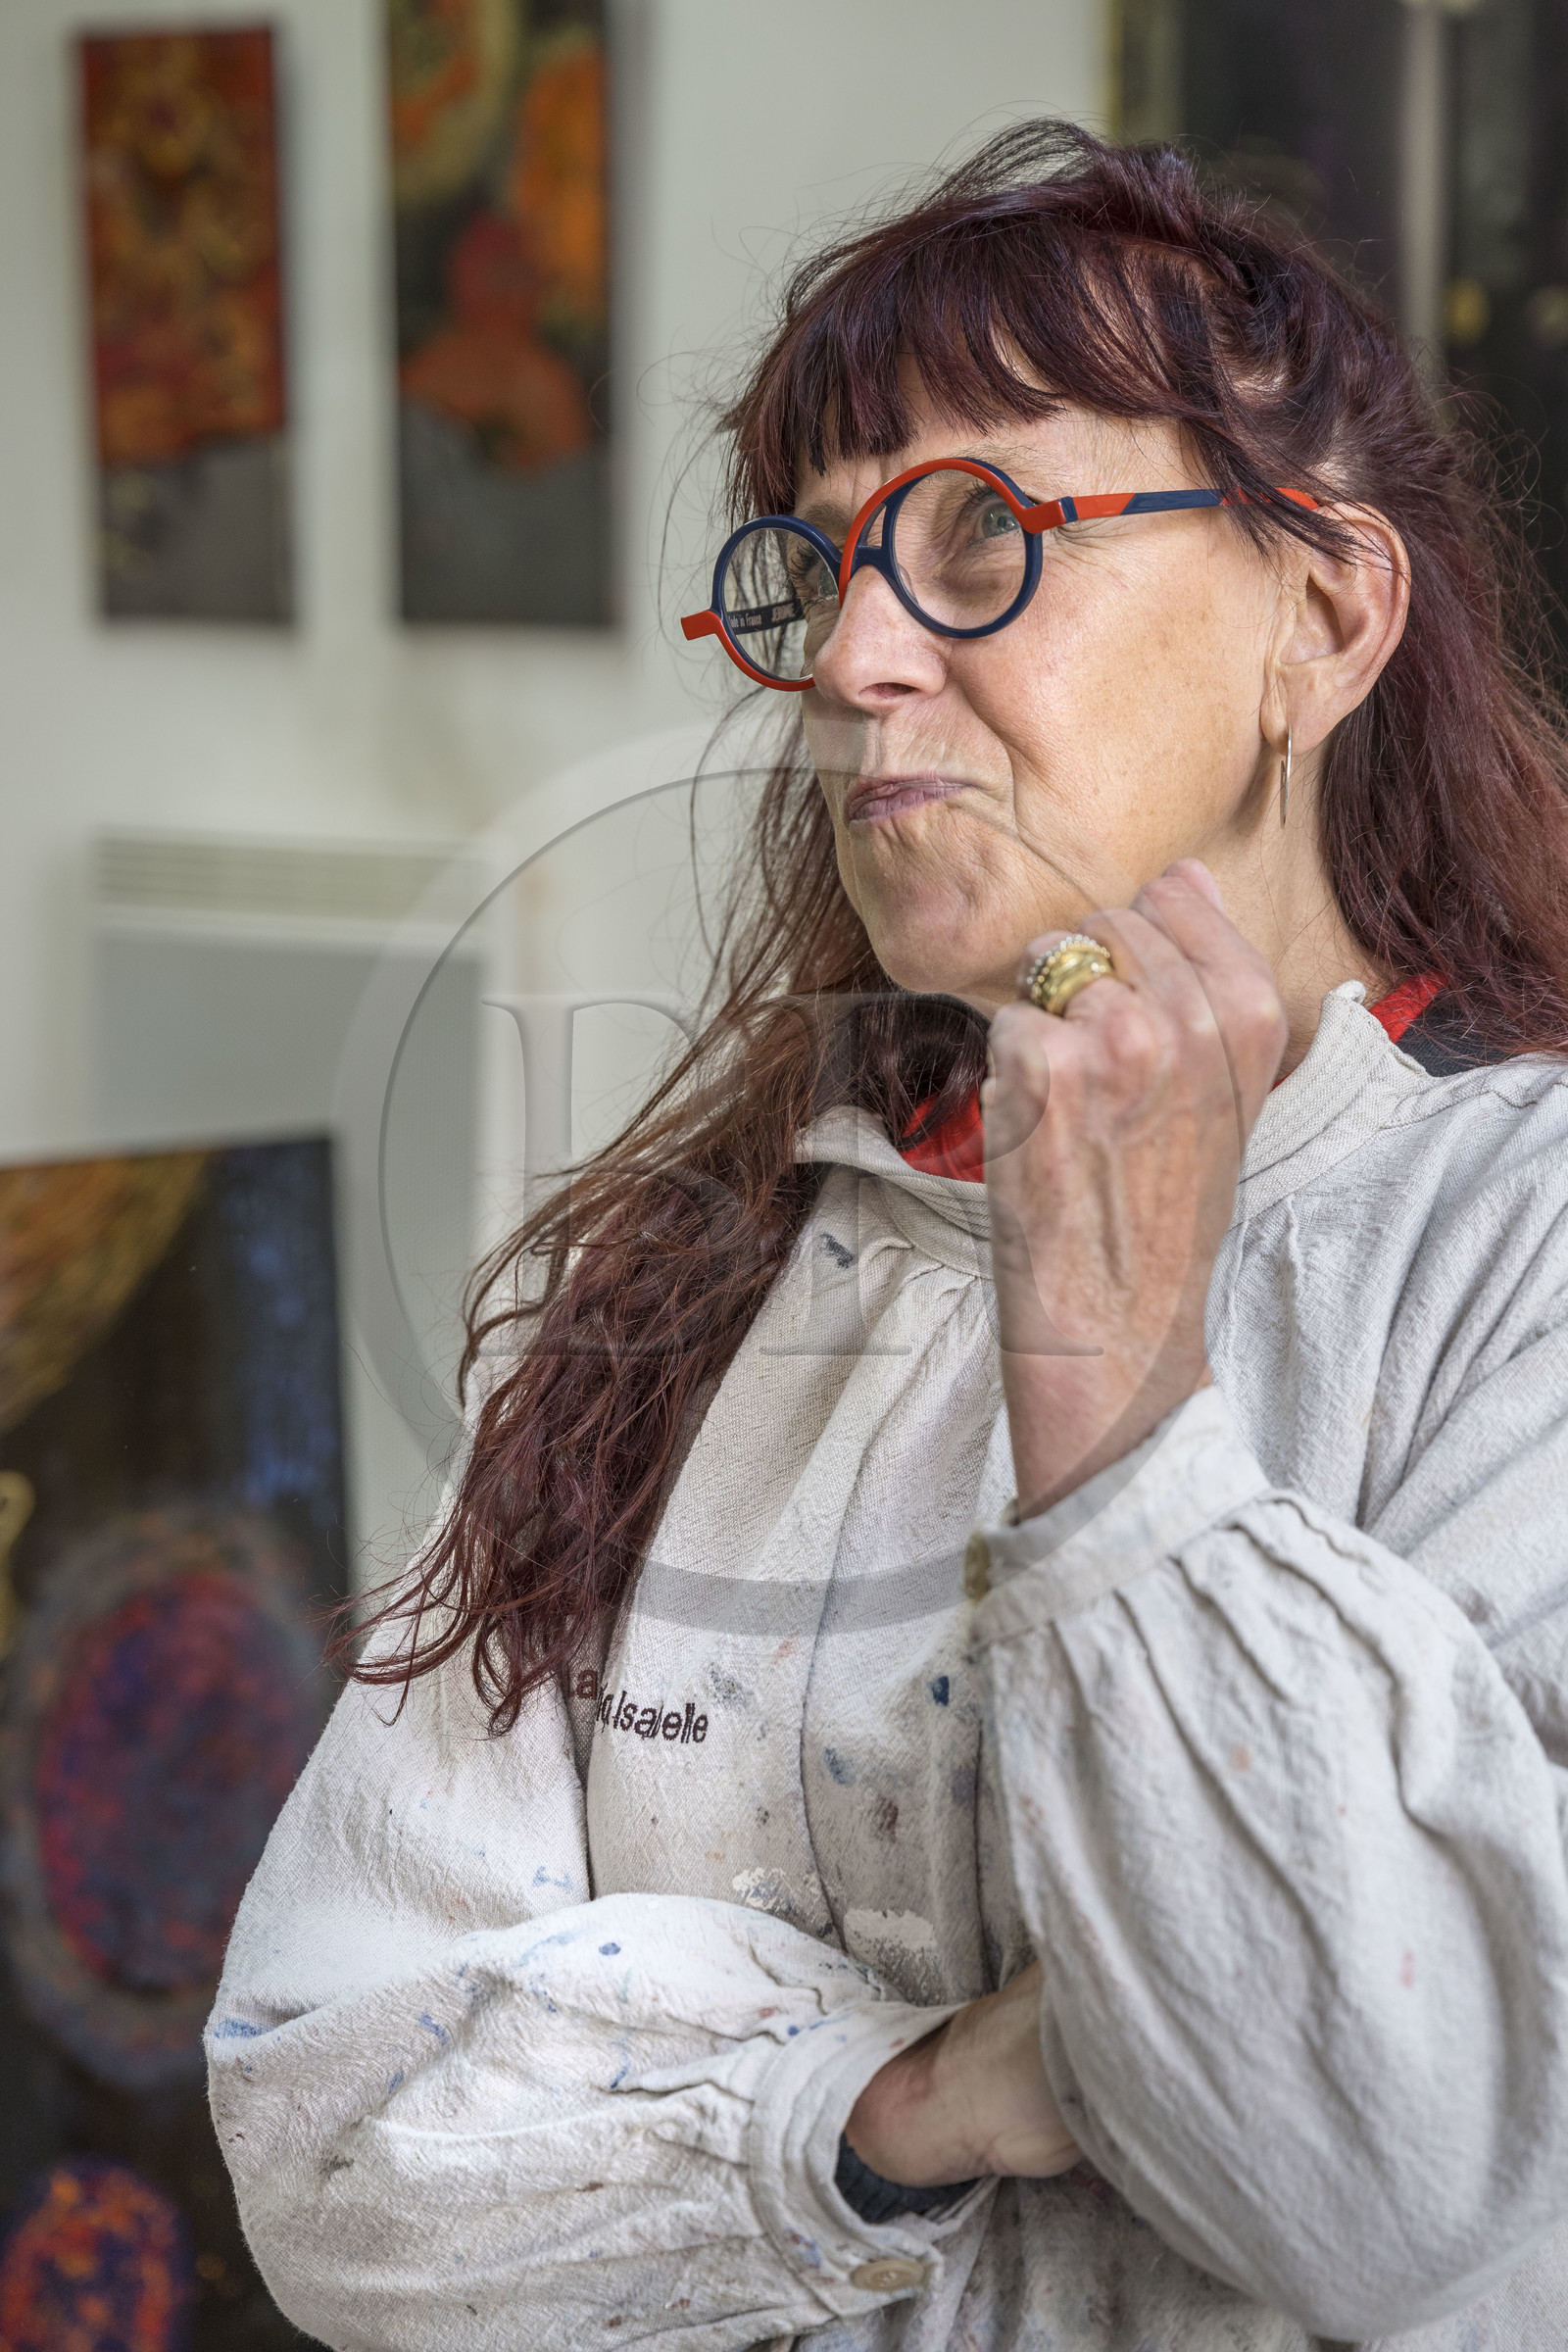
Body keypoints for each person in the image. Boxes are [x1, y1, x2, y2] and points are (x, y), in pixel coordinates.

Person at [210, 122, 1568, 2351]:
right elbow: (334, 2149)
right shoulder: (669, 1291)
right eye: (816, 562)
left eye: (976, 538)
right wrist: (916, 2094)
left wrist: (1120, 1417)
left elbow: (1414, 2188)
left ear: (1319, 616)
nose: (845, 660)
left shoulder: (1507, 1250)